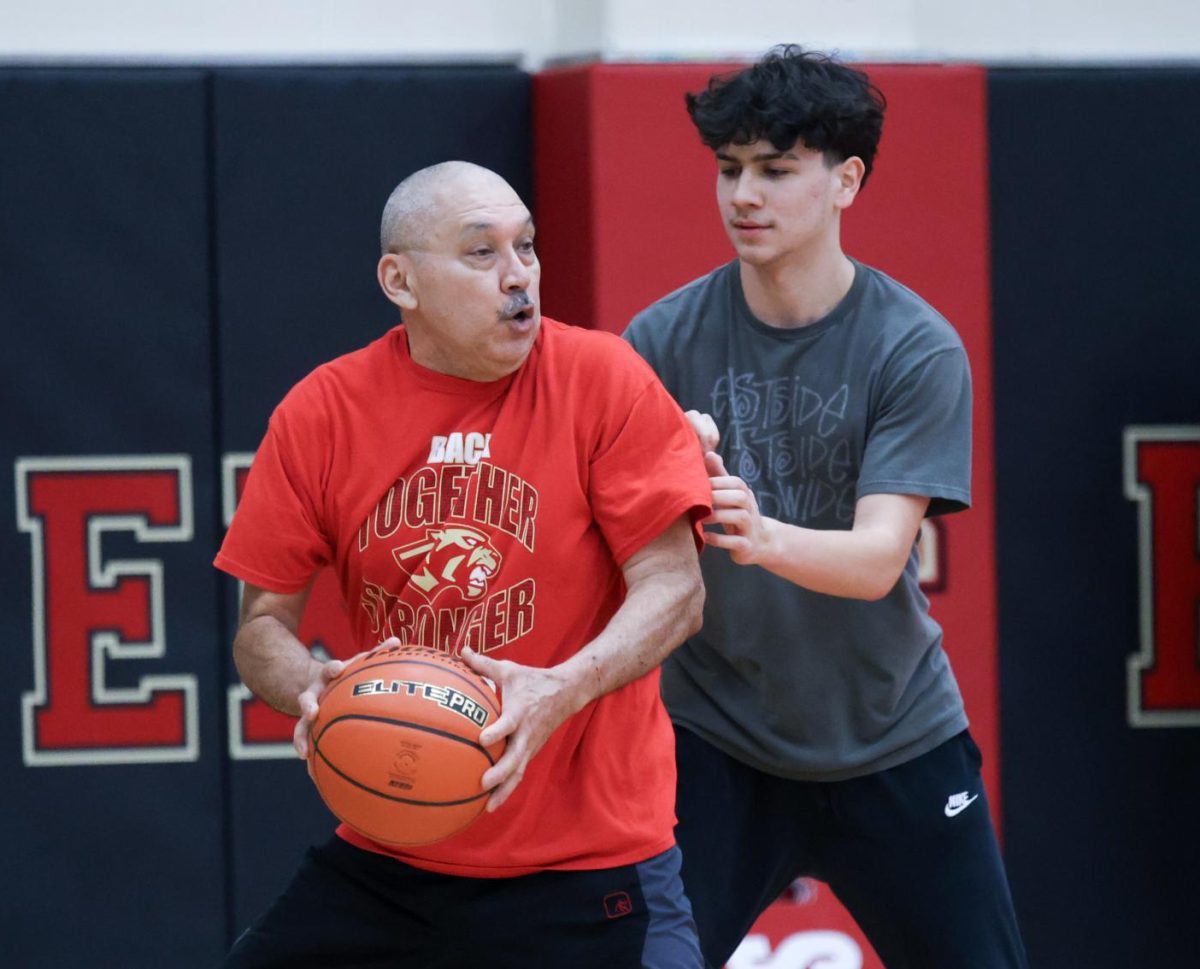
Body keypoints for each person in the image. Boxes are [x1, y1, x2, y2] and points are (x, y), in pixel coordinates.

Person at [214, 160, 712, 968]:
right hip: (390, 860)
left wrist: (562, 686)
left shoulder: (604, 378)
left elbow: (677, 589)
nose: (518, 277)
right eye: (481, 254)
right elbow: (261, 625)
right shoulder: (322, 413)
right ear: (399, 280)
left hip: (591, 873)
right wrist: (315, 686)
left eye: (527, 247)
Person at [624, 47, 1028, 968]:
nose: (743, 195)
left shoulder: (915, 346)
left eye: (774, 169)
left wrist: (758, 533)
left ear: (846, 180)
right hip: (718, 736)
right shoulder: (657, 340)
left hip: (894, 736)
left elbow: (879, 556)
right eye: (729, 169)